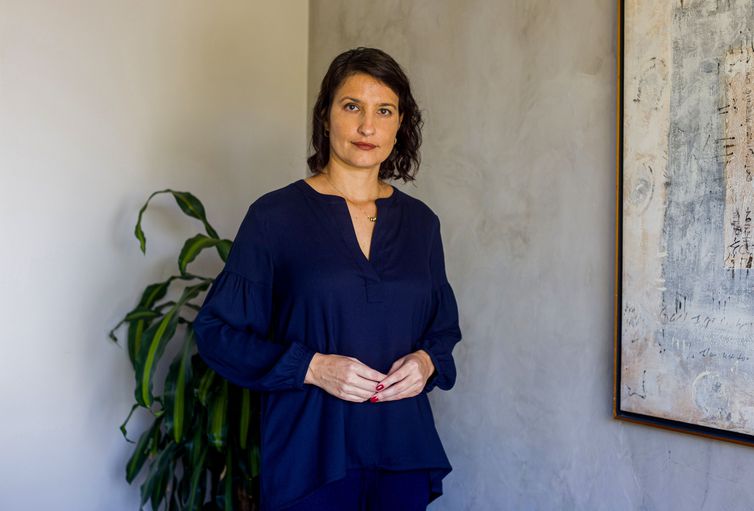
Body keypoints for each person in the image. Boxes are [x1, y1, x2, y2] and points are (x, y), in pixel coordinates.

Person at [193, 46, 463, 511]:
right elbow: (216, 332)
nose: (367, 127)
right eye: (352, 106)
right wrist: (312, 367)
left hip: (402, 450)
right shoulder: (274, 217)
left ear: (400, 124)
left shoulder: (422, 224)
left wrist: (426, 362)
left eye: (384, 111)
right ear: (325, 115)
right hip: (310, 456)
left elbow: (442, 330)